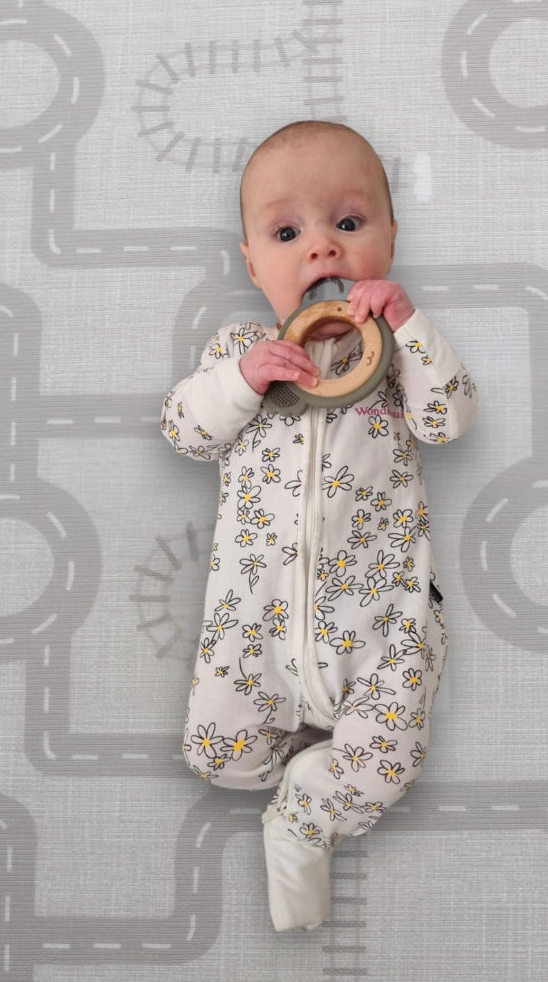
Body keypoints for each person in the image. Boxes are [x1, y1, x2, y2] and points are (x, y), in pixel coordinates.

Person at [161, 120, 478, 931]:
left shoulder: (400, 360)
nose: (322, 253)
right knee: (216, 756)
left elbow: (449, 419)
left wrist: (407, 326)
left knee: (387, 758)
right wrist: (240, 380)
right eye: (286, 232)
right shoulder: (240, 348)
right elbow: (185, 430)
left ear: (390, 238)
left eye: (348, 224)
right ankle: (285, 752)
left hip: (380, 624)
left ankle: (312, 806)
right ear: (251, 262)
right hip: (254, 625)